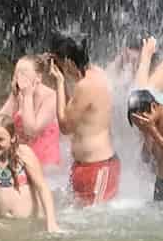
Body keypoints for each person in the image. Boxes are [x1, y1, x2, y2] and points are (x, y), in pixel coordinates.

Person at [47, 33, 119, 205]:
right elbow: (72, 112)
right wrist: (63, 81)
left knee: (95, 221)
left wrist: (58, 82)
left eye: (59, 62)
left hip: (98, 167)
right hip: (86, 166)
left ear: (70, 62)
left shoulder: (85, 86)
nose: (59, 67)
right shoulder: (96, 74)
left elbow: (65, 126)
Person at [0, 55, 62, 171]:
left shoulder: (51, 97)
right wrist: (13, 96)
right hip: (19, 160)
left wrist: (28, 96)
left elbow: (31, 131)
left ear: (38, 77)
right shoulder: (17, 96)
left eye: (24, 73)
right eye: (17, 73)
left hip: (45, 165)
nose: (20, 78)